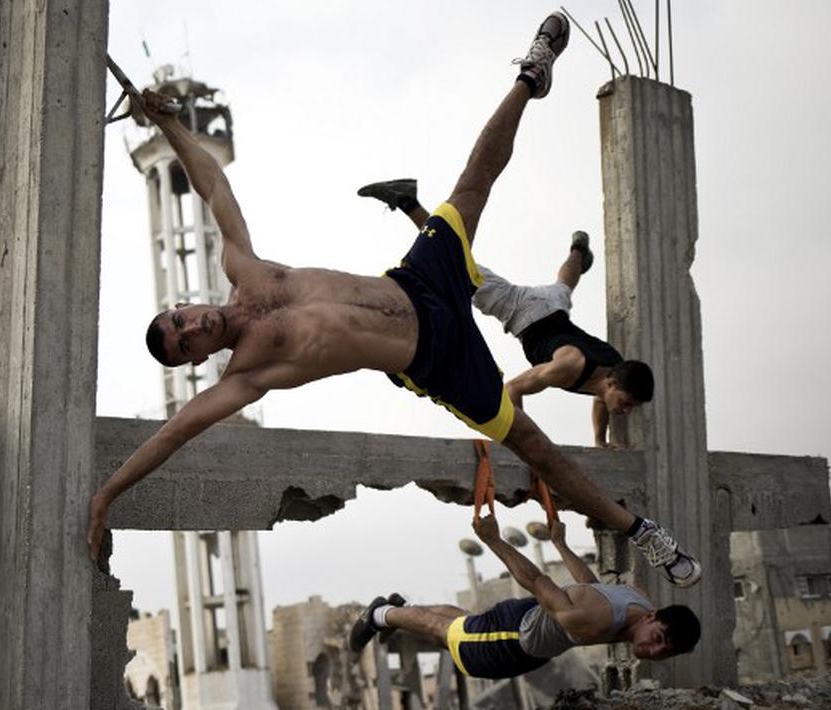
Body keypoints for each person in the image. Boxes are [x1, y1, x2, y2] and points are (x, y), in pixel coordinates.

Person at [88, 12, 700, 588]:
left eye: (180, 317)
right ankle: (644, 534)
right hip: (435, 359)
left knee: (471, 183)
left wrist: (166, 124)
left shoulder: (244, 268)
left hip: (419, 282)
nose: (191, 324)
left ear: (185, 304)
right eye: (184, 339)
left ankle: (531, 74)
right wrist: (107, 496)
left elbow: (212, 184)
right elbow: (171, 436)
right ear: (195, 355)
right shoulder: (246, 376)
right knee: (535, 446)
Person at [357, 179, 654, 448]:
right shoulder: (569, 366)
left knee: (563, 287)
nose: (625, 411)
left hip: (553, 307)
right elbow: (513, 389)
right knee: (455, 262)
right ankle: (408, 200)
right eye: (626, 403)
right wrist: (524, 444)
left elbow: (601, 397)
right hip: (524, 311)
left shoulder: (614, 369)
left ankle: (578, 251)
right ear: (612, 383)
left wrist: (599, 440)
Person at [348, 517, 701, 679]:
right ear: (653, 618)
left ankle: (401, 609)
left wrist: (561, 544)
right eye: (657, 640)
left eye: (664, 651)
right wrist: (493, 540)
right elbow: (535, 580)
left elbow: (590, 585)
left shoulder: (634, 598)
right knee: (446, 631)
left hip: (529, 626)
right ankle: (381, 614)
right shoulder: (597, 619)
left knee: (459, 624)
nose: (654, 651)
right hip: (513, 640)